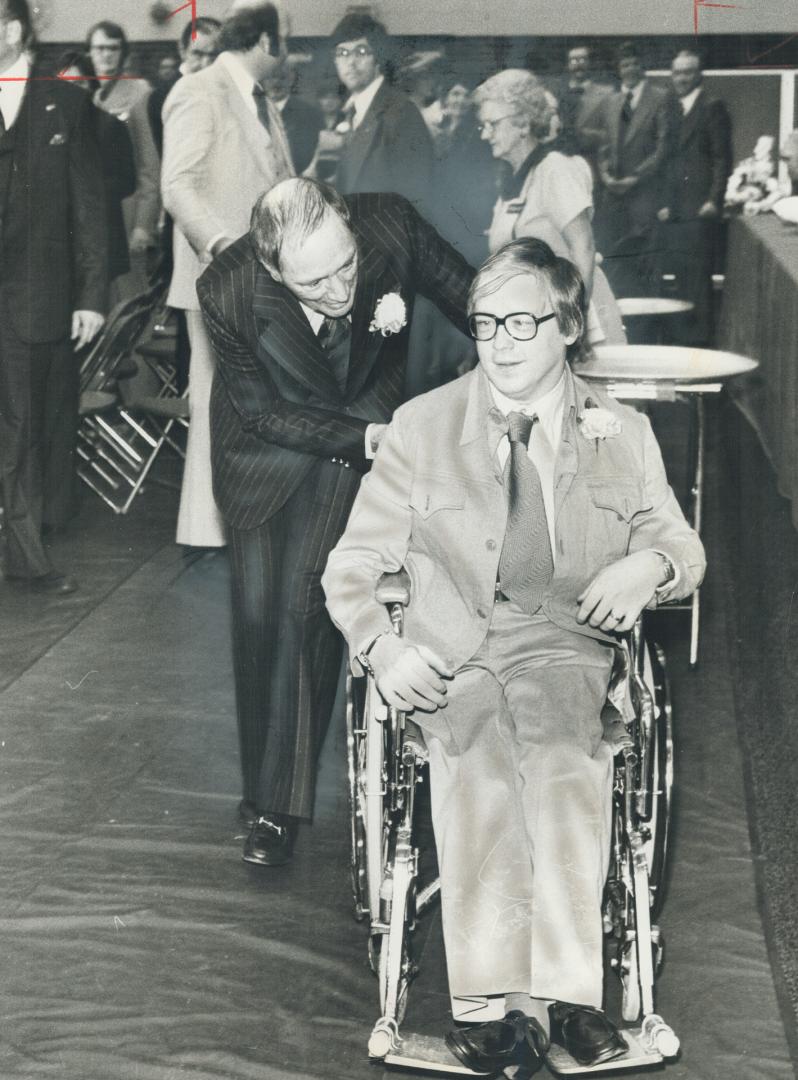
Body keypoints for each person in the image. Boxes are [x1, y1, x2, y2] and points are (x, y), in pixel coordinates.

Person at [322, 236, 705, 1075]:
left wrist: (652, 564)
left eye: (523, 321)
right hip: (447, 644)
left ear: (568, 327)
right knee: (477, 762)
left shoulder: (623, 434)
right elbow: (350, 566)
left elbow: (680, 541)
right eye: (486, 321)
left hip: (564, 643)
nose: (500, 338)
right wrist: (381, 648)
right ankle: (490, 1005)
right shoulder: (423, 428)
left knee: (568, 761)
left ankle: (569, 1000)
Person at [196, 177, 474, 866]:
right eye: (314, 282)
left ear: (351, 227)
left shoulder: (393, 225)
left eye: (346, 266)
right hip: (262, 451)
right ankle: (263, 783)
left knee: (300, 606)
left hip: (355, 438)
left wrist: (525, 333)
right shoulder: (225, 290)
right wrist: (364, 438)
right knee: (257, 621)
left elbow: (476, 297)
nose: (340, 289)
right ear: (269, 267)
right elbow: (261, 413)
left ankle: (276, 810)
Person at [161, 2, 293, 551]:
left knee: (251, 399)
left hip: (266, 277)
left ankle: (238, 520)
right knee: (216, 396)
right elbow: (178, 185)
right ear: (264, 41)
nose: (285, 56)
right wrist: (220, 245)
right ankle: (208, 530)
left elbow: (282, 180)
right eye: (282, 44)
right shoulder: (199, 90)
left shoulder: (265, 104)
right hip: (218, 274)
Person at [0, 0, 107, 593]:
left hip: (33, 298)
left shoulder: (64, 102)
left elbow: (89, 208)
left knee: (22, 427)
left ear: (13, 31)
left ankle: (26, 555)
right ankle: (26, 555)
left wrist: (91, 295)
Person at [475, 69, 626, 346]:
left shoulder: (554, 169)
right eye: (482, 126)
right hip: (539, 322)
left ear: (522, 124)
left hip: (578, 323)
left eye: (493, 124)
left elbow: (584, 247)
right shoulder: (511, 183)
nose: (485, 135)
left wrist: (573, 320)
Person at [658, 48, 732, 346]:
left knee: (698, 283)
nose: (682, 78)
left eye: (688, 72)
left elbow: (721, 158)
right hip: (674, 213)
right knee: (677, 281)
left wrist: (713, 200)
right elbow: (665, 162)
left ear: (699, 75)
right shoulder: (671, 110)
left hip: (699, 210)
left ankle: (699, 346)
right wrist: (664, 203)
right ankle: (679, 342)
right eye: (677, 73)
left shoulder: (712, 107)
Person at [87, 20, 161, 300]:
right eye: (99, 48)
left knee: (129, 293)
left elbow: (149, 163)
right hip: (101, 211)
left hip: (129, 210)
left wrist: (144, 224)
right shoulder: (94, 97)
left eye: (112, 48)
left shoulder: (139, 92)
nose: (106, 55)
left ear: (123, 53)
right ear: (90, 53)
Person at [594, 42, 674, 298]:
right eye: (624, 64)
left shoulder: (661, 97)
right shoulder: (611, 101)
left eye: (634, 63)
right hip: (613, 199)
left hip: (644, 197)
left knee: (646, 263)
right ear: (619, 69)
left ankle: (648, 327)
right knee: (615, 263)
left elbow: (663, 148)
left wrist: (634, 178)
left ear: (643, 66)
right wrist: (606, 176)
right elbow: (604, 146)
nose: (629, 69)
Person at [330, 12, 433, 212]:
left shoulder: (401, 112)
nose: (350, 62)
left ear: (378, 58)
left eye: (361, 52)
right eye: (342, 53)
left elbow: (416, 198)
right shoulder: (351, 114)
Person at [56, 50, 136, 289]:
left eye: (78, 83)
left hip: (100, 234)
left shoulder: (110, 126)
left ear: (91, 86)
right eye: (63, 84)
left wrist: (82, 190)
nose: (70, 90)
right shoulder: (47, 127)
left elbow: (127, 181)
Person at [147, 16, 222, 156]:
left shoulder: (227, 91)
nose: (206, 64)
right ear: (182, 51)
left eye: (213, 55)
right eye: (197, 54)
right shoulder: (162, 97)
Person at [262, 54, 324, 174]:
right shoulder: (255, 112)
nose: (275, 83)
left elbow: (316, 154)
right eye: (270, 77)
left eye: (282, 77)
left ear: (291, 78)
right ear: (262, 81)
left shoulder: (310, 114)